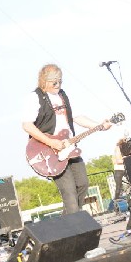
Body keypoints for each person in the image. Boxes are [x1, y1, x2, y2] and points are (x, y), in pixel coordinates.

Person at [22, 64, 112, 214]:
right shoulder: (34, 97)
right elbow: (27, 125)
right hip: (50, 151)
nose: (58, 85)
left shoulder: (63, 95)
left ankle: (69, 221)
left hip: (70, 147)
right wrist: (50, 142)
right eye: (54, 82)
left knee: (83, 184)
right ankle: (73, 223)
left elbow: (76, 117)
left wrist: (99, 125)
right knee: (69, 194)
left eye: (60, 81)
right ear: (44, 81)